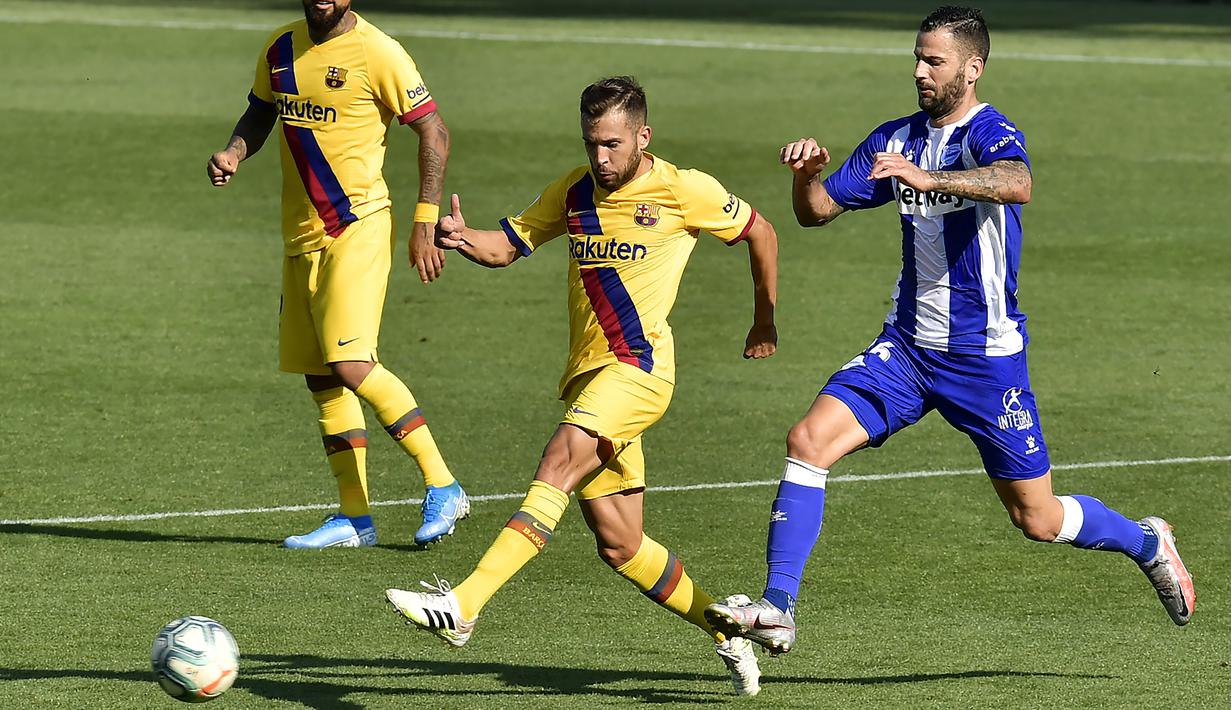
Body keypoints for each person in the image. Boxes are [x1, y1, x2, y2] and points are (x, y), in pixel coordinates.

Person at [705, 5, 1195, 656]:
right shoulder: (895, 138)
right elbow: (816, 212)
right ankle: (779, 606)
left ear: (972, 68)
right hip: (907, 351)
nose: (919, 71)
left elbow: (1017, 182)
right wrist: (807, 177)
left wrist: (928, 179)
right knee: (807, 440)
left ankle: (1146, 541)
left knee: (1037, 518)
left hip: (985, 360)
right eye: (917, 58)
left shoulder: (989, 132)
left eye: (933, 61)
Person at [385, 76, 779, 696]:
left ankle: (464, 605)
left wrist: (764, 319)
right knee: (621, 544)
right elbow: (508, 245)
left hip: (640, 370)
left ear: (643, 137)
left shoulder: (682, 190)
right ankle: (725, 628)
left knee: (558, 461)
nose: (601, 157)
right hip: (590, 378)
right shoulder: (573, 190)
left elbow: (761, 231)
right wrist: (463, 239)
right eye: (592, 142)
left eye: (612, 144)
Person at [206, 0, 468, 548]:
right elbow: (260, 112)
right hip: (300, 237)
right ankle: (355, 518)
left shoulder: (379, 52)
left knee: (350, 362)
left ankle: (444, 484)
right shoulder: (280, 47)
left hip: (357, 226)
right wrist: (233, 152)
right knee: (322, 376)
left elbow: (434, 132)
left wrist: (424, 219)